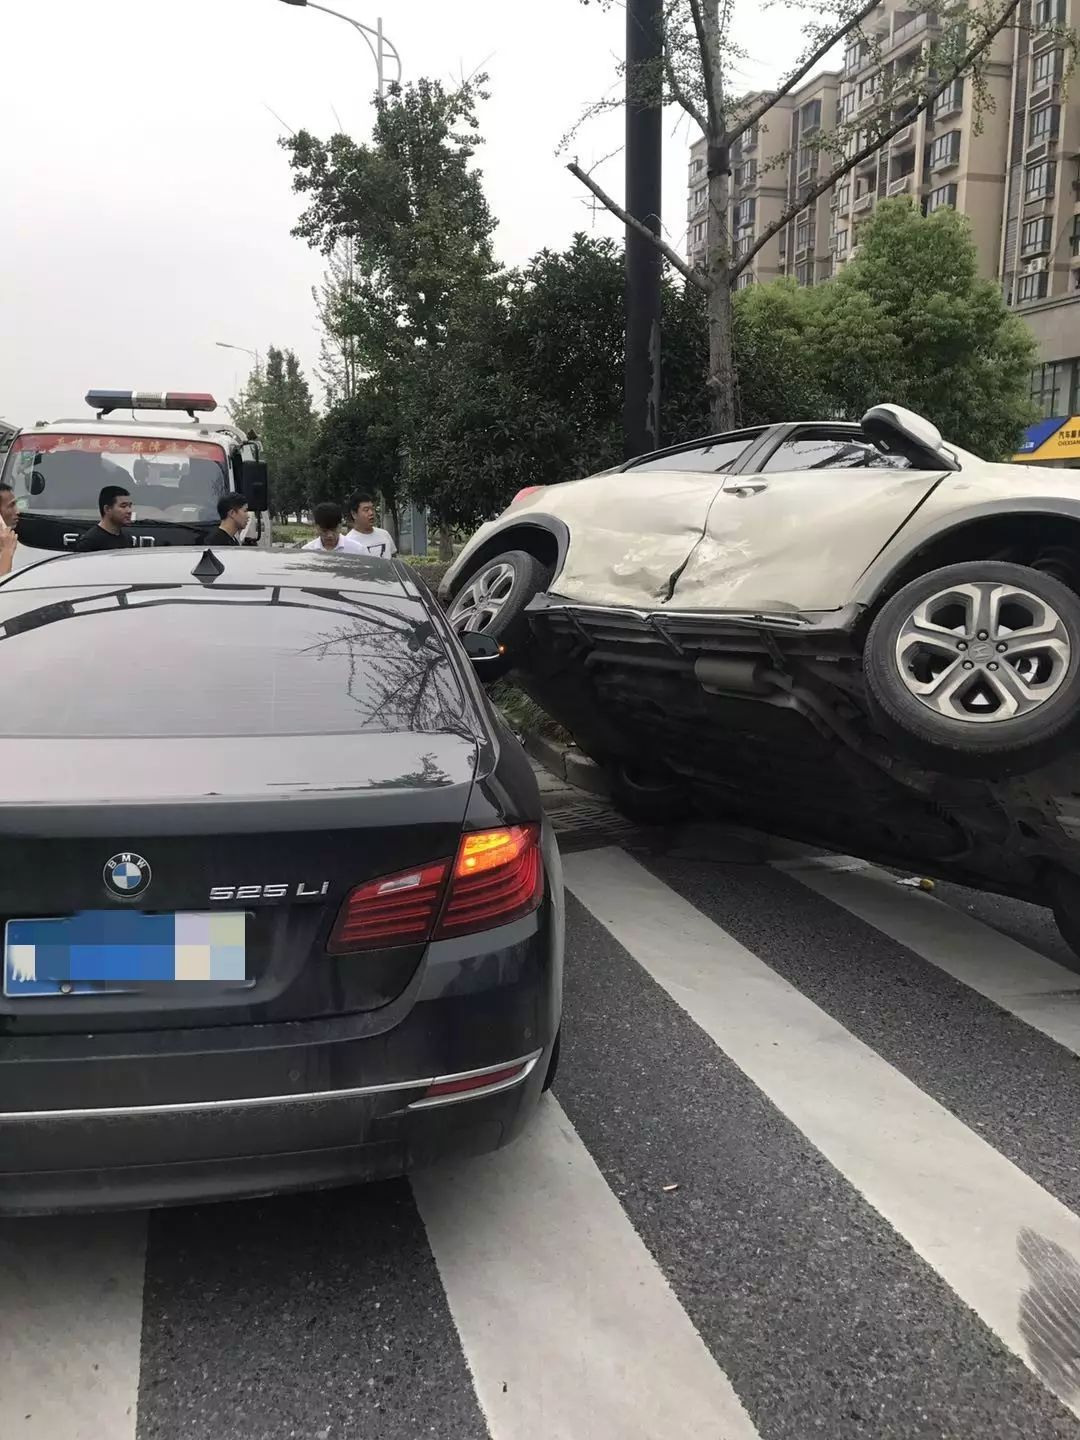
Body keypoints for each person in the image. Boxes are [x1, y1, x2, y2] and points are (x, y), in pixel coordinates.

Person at [74, 486, 135, 552]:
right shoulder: (90, 542)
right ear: (107, 509)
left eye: (130, 506)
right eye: (123, 506)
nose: (129, 511)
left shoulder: (127, 538)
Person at [342, 492, 397, 558]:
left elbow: (394, 561)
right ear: (354, 514)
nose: (371, 513)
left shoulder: (384, 534)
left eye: (372, 509)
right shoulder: (348, 542)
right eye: (366, 510)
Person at [0, 483, 19, 578]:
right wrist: (7, 551)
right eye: (11, 506)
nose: (17, 511)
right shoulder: (7, 546)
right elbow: (3, 588)